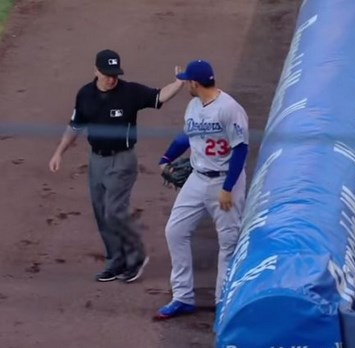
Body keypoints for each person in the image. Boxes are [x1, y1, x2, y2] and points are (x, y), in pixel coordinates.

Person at [48, 49, 184, 283]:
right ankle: (116, 260)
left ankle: (136, 256)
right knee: (102, 213)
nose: (112, 78)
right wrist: (59, 152)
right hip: (96, 160)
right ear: (96, 71)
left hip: (123, 160)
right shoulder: (85, 94)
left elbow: (158, 97)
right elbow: (75, 126)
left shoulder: (129, 92)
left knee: (114, 210)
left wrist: (178, 83)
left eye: (115, 74)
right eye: (107, 74)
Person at [154, 60, 249, 320]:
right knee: (176, 231)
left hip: (226, 180)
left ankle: (224, 303)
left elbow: (241, 148)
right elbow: (187, 136)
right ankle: (183, 297)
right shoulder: (193, 106)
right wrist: (166, 158)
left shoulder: (230, 109)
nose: (186, 85)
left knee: (228, 243)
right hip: (197, 179)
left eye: (188, 81)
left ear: (195, 83)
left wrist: (228, 188)